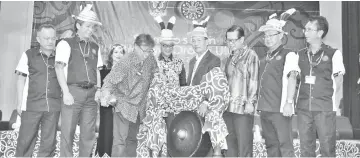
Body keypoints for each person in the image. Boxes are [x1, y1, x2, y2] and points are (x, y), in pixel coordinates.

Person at [55, 4, 103, 157]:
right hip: (73, 93)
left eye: (93, 27)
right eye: (88, 26)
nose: (90, 30)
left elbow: (97, 70)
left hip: (91, 94)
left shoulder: (95, 46)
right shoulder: (66, 44)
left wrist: (99, 89)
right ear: (78, 25)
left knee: (88, 134)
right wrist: (66, 92)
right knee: (67, 131)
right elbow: (58, 68)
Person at [100, 34, 158, 157]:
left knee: (132, 141)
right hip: (124, 105)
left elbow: (156, 75)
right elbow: (109, 81)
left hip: (139, 108)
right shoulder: (125, 62)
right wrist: (105, 95)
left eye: (150, 51)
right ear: (136, 47)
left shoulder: (151, 59)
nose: (147, 54)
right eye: (145, 51)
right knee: (120, 142)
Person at [297, 15, 345, 157]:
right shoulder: (300, 54)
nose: (305, 32)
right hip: (304, 108)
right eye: (305, 29)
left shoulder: (333, 54)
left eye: (309, 29)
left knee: (327, 148)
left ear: (320, 33)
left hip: (325, 108)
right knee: (305, 149)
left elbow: (339, 81)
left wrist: (335, 105)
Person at [257, 8, 299, 157]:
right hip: (265, 109)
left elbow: (292, 78)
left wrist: (289, 102)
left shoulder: (289, 54)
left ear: (281, 35)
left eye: (271, 35)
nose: (267, 38)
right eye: (265, 35)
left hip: (280, 110)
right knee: (271, 146)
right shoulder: (263, 58)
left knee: (285, 146)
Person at [14, 24, 61, 157]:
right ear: (38, 39)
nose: (50, 41)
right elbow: (21, 80)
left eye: (53, 38)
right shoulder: (28, 55)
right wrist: (19, 103)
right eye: (46, 38)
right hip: (31, 105)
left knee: (49, 143)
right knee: (25, 140)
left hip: (53, 106)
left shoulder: (61, 57)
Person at [187, 16, 225, 157]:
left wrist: (205, 102)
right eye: (193, 41)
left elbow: (214, 85)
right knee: (194, 141)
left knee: (206, 142)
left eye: (199, 40)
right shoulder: (191, 61)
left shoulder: (214, 59)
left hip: (206, 109)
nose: (196, 44)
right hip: (192, 107)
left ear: (206, 42)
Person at [222, 25, 259, 157]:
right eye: (228, 40)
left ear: (242, 39)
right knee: (230, 145)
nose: (230, 43)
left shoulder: (251, 55)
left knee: (244, 146)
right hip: (227, 108)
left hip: (243, 108)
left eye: (234, 40)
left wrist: (251, 102)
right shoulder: (228, 57)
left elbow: (254, 80)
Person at [153, 16, 187, 130]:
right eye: (165, 45)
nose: (168, 48)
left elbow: (183, 85)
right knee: (157, 138)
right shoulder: (153, 62)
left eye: (170, 45)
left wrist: (183, 104)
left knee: (173, 135)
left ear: (173, 46)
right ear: (160, 45)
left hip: (174, 107)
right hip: (157, 107)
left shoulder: (179, 62)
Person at [96, 44, 126, 157]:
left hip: (121, 107)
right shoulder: (104, 70)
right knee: (107, 131)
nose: (118, 55)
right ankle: (104, 154)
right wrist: (108, 98)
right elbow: (100, 88)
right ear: (111, 55)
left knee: (120, 134)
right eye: (116, 52)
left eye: (121, 52)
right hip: (107, 107)